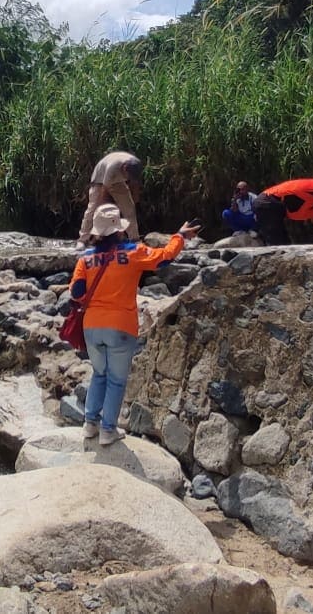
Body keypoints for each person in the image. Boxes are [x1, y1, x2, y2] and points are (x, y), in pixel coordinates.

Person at [69, 204, 200, 445]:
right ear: (119, 230)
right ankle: (108, 430)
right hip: (121, 324)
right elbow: (164, 258)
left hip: (92, 326)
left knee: (99, 374)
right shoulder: (133, 252)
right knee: (116, 380)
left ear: (97, 232)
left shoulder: (85, 258)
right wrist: (179, 237)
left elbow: (76, 294)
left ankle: (90, 424)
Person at [78, 151, 142, 245]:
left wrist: (135, 198)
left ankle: (135, 239)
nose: (128, 178)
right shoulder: (112, 167)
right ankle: (83, 239)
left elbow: (136, 183)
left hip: (118, 182)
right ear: (124, 168)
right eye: (127, 175)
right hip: (100, 180)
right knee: (92, 210)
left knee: (129, 209)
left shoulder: (136, 165)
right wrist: (101, 209)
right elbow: (104, 189)